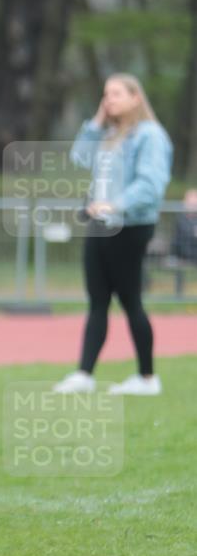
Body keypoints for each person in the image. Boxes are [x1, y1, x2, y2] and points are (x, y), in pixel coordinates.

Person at [54, 74, 172, 396]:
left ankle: (147, 378)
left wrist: (113, 205)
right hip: (99, 227)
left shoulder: (150, 135)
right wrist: (95, 123)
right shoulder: (107, 134)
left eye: (117, 93)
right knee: (97, 302)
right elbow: (79, 158)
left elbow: (150, 185)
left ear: (136, 97)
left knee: (131, 300)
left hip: (130, 226)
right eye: (106, 94)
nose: (109, 99)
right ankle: (84, 374)